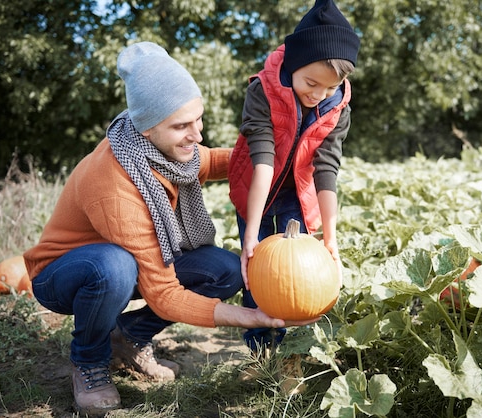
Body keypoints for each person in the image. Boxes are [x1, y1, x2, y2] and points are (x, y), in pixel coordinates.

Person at [23, 42, 315, 416]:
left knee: (224, 270)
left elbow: (208, 160)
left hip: (125, 265)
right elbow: (163, 294)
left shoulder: (166, 150)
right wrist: (251, 317)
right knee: (113, 266)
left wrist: (269, 159)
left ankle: (126, 338)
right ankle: (89, 361)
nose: (196, 134)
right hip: (64, 274)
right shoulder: (114, 182)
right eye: (181, 126)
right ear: (146, 127)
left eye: (199, 119)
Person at [228, 0, 360, 351]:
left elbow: (327, 167)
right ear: (293, 63)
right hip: (255, 187)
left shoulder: (337, 107)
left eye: (330, 88)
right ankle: (259, 351)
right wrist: (251, 236)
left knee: (298, 275)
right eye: (311, 83)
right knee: (258, 271)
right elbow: (263, 162)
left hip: (299, 195)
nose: (318, 95)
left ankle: (289, 353)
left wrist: (330, 239)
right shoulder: (263, 91)